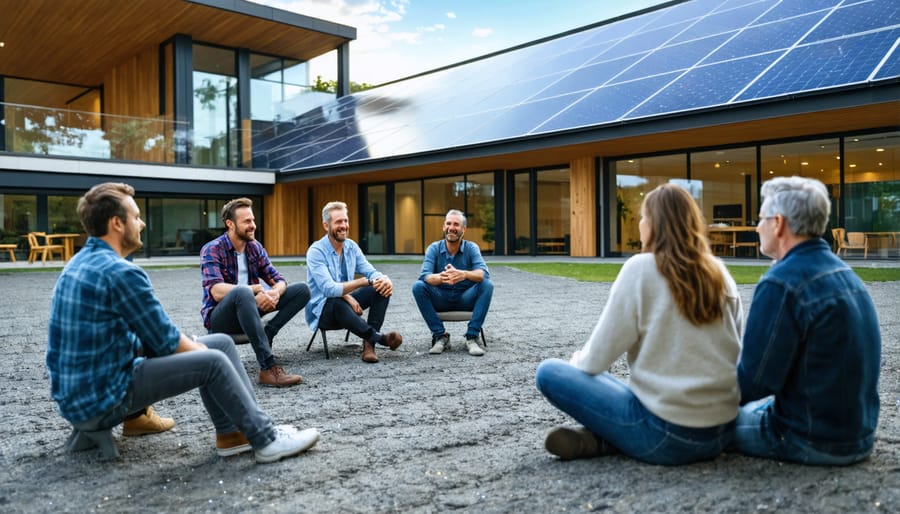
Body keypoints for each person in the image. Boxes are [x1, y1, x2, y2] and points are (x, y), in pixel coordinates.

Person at [47, 182, 320, 463]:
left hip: (75, 395)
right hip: (100, 398)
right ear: (117, 223)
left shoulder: (78, 263)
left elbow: (142, 337)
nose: (141, 224)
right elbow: (165, 342)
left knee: (222, 344)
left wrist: (197, 345)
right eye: (136, 216)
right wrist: (200, 351)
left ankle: (232, 435)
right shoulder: (121, 272)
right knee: (213, 360)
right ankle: (266, 439)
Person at [534, 183, 742, 465]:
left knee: (550, 372)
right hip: (721, 431)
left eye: (643, 217)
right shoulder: (719, 272)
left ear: (655, 224)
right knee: (629, 391)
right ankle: (599, 441)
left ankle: (607, 439)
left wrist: (575, 365)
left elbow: (595, 361)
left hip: (666, 434)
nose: (640, 224)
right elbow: (735, 352)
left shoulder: (641, 269)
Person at [734, 176, 881, 465]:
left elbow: (752, 383)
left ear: (778, 223)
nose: (756, 227)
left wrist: (690, 404)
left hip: (809, 439)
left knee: (698, 425)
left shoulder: (781, 282)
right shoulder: (845, 274)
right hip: (857, 435)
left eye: (761, 219)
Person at [200, 197, 309, 387]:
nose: (253, 226)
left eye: (253, 220)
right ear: (230, 224)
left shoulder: (254, 247)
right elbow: (216, 291)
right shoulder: (212, 249)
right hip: (221, 319)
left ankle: (268, 332)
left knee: (302, 290)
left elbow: (279, 279)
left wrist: (274, 292)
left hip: (249, 309)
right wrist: (255, 290)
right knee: (242, 293)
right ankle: (268, 368)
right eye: (247, 221)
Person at [306, 201, 402, 363]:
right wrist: (361, 284)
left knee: (380, 288)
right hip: (324, 311)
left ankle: (368, 346)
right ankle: (379, 338)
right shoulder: (316, 252)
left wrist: (385, 280)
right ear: (325, 225)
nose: (343, 226)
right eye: (338, 222)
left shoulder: (351, 247)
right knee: (336, 301)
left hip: (346, 305)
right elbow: (329, 289)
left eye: (345, 221)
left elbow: (371, 272)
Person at [412, 209, 493, 356]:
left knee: (487, 284)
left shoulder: (471, 247)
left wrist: (463, 274)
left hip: (465, 298)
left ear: (463, 229)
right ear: (444, 227)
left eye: (456, 224)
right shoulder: (434, 248)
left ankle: (472, 336)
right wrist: (442, 277)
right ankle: (440, 336)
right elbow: (425, 276)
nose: (451, 228)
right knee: (418, 287)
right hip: (441, 297)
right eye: (448, 223)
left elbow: (483, 274)